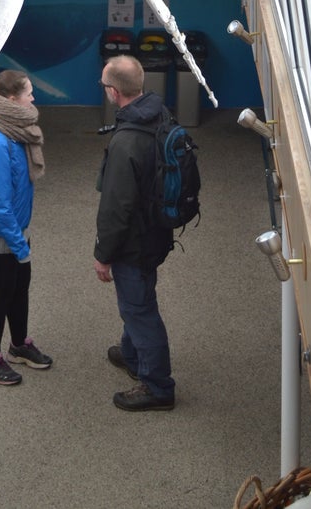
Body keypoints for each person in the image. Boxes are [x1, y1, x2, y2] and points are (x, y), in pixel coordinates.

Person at [94, 54, 176, 412]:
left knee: (140, 310)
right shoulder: (160, 115)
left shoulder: (126, 141)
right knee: (137, 299)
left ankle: (158, 387)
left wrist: (102, 254)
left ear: (114, 91)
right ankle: (130, 355)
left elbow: (116, 208)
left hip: (134, 242)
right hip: (156, 231)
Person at [0, 68, 52, 385]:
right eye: (28, 93)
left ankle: (19, 345)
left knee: (19, 290)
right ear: (10, 99)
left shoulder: (15, 129)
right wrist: (19, 246)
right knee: (0, 294)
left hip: (18, 229)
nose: (33, 98)